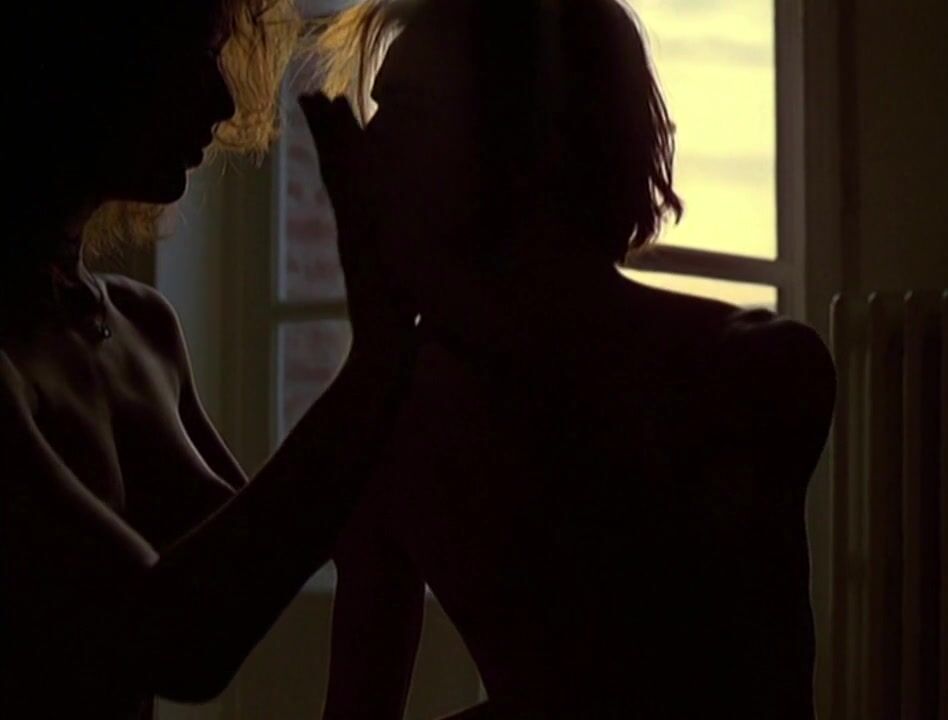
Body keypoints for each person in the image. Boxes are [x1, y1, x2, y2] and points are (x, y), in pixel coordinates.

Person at [301, 0, 837, 717]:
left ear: (523, 139)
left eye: (410, 110)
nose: (370, 146)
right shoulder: (393, 417)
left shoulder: (751, 375)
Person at [0, 0, 415, 716]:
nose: (224, 102)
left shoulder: (141, 329)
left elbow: (269, 554)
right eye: (196, 57)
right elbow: (178, 638)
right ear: (81, 60)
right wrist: (378, 356)